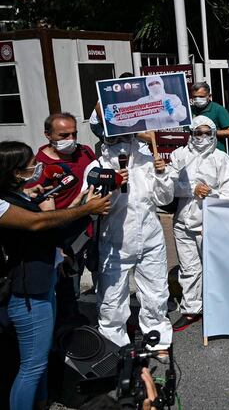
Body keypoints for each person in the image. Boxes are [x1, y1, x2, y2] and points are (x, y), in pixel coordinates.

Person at [0, 142, 107, 410]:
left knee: (41, 359)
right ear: (14, 173)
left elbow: (44, 227)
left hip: (43, 284)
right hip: (26, 294)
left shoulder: (18, 194)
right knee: (31, 367)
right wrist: (86, 209)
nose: (36, 170)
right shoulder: (2, 203)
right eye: (29, 167)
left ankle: (42, 403)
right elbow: (38, 223)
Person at [85, 133, 174, 351]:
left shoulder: (146, 161)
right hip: (116, 242)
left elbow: (164, 199)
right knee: (112, 299)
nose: (121, 142)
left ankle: (157, 339)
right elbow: (90, 208)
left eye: (125, 135)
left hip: (150, 238)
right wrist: (112, 186)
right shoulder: (96, 167)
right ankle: (115, 347)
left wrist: (162, 174)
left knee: (156, 292)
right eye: (115, 137)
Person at [168, 116, 229, 331]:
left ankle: (217, 309)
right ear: (191, 133)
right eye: (197, 132)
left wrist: (211, 195)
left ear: (214, 133)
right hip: (182, 221)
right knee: (189, 268)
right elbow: (167, 187)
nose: (202, 137)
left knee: (214, 267)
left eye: (207, 132)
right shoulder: (179, 155)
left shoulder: (221, 158)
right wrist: (192, 189)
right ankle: (191, 309)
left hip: (209, 222)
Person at [34, 112, 98, 321]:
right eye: (63, 135)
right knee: (69, 287)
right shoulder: (41, 166)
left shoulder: (85, 152)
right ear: (48, 135)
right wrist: (58, 245)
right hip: (66, 236)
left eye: (74, 134)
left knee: (104, 276)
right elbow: (45, 213)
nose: (71, 140)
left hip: (93, 227)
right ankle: (69, 333)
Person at [104, 75, 187, 132]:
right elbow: (130, 119)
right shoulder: (143, 102)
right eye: (151, 84)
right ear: (147, 87)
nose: (154, 86)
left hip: (173, 134)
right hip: (154, 138)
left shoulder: (173, 98)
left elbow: (182, 115)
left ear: (161, 83)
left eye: (157, 82)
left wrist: (174, 112)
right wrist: (114, 118)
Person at [190, 82, 229, 151]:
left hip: (214, 152)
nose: (197, 99)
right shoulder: (190, 110)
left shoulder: (218, 110)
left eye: (201, 97)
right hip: (194, 152)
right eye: (195, 97)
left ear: (209, 96)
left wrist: (209, 132)